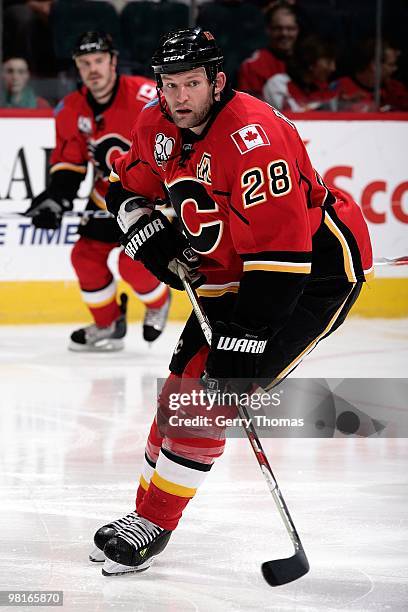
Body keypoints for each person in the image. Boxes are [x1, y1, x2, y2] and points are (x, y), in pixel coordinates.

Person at [89, 27, 373, 575]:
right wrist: (145, 231)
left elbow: (282, 257)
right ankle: (142, 509)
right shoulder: (157, 123)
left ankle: (154, 522)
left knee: (209, 393)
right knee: (181, 387)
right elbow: (126, 188)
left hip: (309, 273)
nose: (179, 97)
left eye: (192, 83)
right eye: (170, 85)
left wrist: (247, 339)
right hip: (231, 270)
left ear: (217, 82)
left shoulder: (254, 138)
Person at [25, 32, 171, 350]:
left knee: (134, 262)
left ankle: (158, 302)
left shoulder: (146, 96)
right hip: (107, 196)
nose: (93, 69)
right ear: (77, 68)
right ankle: (108, 324)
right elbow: (70, 162)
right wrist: (57, 197)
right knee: (85, 256)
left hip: (154, 197)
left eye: (99, 61)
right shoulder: (70, 109)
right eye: (85, 63)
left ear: (113, 62)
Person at [237, 1, 299, 98]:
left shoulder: (310, 63)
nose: (284, 34)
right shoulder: (252, 66)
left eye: (290, 28)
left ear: (297, 30)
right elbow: (249, 106)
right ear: (268, 30)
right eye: (278, 28)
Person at [263, 35, 337, 111]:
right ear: (311, 62)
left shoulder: (325, 88)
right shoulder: (277, 84)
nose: (333, 68)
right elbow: (288, 118)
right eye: (328, 62)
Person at [336, 38, 408, 112]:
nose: (395, 69)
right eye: (390, 65)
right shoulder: (340, 87)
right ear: (374, 65)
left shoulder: (396, 89)